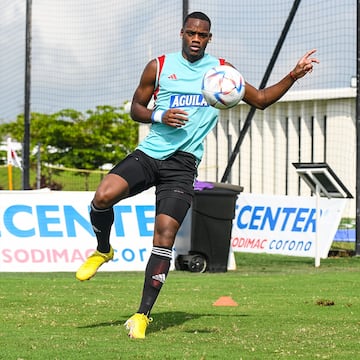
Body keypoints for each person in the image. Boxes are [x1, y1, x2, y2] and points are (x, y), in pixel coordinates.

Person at [76, 11, 319, 339]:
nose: (195, 39)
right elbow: (136, 107)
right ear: (182, 33)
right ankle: (103, 249)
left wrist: (293, 74)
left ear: (209, 39)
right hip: (150, 154)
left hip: (182, 165)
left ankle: (141, 316)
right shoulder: (160, 66)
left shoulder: (222, 72)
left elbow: (260, 100)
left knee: (164, 235)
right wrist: (159, 114)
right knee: (102, 196)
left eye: (201, 35)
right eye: (191, 33)